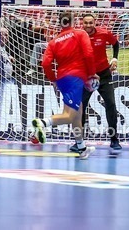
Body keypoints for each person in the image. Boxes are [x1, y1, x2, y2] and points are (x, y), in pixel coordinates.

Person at [32, 11, 97, 159]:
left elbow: (45, 63)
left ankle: (81, 147)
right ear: (73, 21)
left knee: (77, 115)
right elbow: (88, 54)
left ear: (60, 23)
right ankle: (42, 123)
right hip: (76, 78)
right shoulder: (80, 34)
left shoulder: (53, 42)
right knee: (69, 116)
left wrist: (53, 79)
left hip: (63, 79)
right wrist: (92, 73)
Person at [80, 13, 122, 151]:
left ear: (94, 22)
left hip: (104, 75)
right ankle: (79, 142)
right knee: (81, 107)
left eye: (90, 23)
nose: (88, 25)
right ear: (82, 23)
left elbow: (116, 44)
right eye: (86, 23)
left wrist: (115, 59)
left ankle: (114, 139)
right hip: (86, 76)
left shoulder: (104, 33)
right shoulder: (78, 36)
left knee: (110, 104)